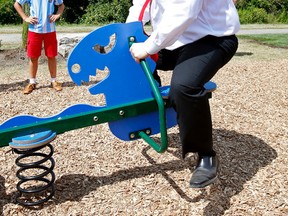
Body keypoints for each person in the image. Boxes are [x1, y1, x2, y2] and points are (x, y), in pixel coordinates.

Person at [127, 0, 240, 188]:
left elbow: (184, 11)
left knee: (184, 86)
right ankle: (154, 107)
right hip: (174, 40)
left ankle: (206, 156)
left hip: (212, 37)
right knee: (132, 56)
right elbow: (140, 6)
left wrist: (147, 48)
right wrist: (128, 35)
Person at [14, 0, 65, 94]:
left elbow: (61, 5)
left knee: (51, 55)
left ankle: (54, 81)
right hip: (34, 30)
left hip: (50, 30)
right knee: (33, 57)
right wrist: (25, 17)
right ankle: (32, 82)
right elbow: (17, 4)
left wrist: (58, 14)